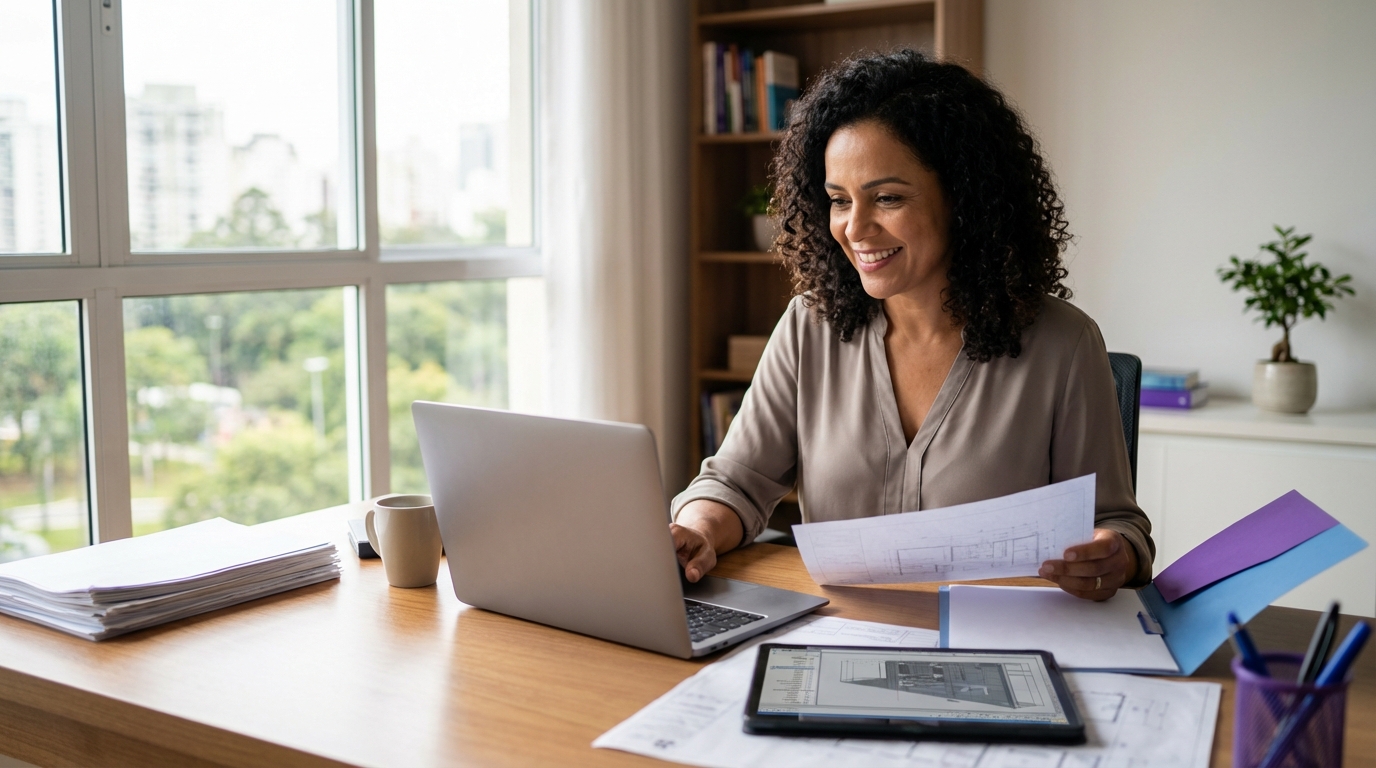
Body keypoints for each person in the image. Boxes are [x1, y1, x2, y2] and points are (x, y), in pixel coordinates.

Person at [671, 49, 1153, 601]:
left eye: (888, 198)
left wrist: (1114, 554)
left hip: (999, 649)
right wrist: (698, 530)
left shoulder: (1063, 344)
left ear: (964, 198)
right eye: (838, 200)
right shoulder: (811, 327)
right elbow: (735, 482)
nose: (855, 228)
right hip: (839, 638)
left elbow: (1118, 525)